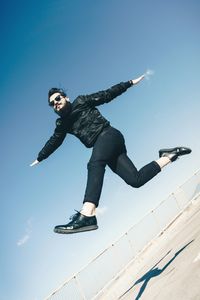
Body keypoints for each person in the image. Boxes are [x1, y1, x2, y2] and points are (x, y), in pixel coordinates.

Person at [30, 74, 191, 234]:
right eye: (52, 104)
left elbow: (106, 94)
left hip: (109, 135)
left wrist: (128, 83)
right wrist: (40, 157)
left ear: (66, 97)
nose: (55, 103)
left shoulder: (81, 101)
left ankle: (87, 213)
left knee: (94, 163)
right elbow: (54, 141)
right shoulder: (61, 124)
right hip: (106, 149)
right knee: (135, 180)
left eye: (57, 99)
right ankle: (168, 156)